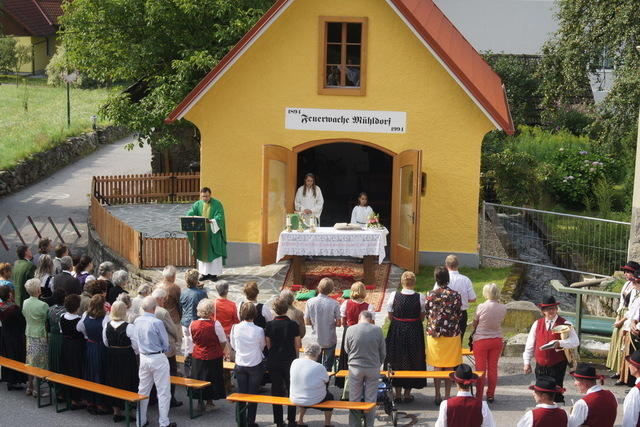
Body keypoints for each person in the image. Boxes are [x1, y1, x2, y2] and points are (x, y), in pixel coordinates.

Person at [523, 295, 579, 403]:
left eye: (553, 308)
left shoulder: (566, 324)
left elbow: (575, 341)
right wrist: (526, 362)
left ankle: (557, 415)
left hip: (557, 365)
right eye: (548, 309)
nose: (551, 311)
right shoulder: (537, 324)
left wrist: (560, 343)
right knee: (541, 393)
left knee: (556, 394)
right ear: (543, 311)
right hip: (540, 366)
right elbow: (530, 344)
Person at [134, 296, 176, 427]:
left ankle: (140, 420)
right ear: (154, 308)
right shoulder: (156, 322)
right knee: (163, 391)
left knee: (143, 389)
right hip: (157, 357)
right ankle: (164, 422)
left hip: (144, 356)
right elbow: (165, 343)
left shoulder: (137, 320)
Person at [385, 271, 426, 402]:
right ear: (414, 282)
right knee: (412, 359)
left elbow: (390, 316)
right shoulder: (420, 297)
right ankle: (407, 394)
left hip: (397, 329)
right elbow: (422, 317)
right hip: (414, 330)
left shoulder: (394, 295)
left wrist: (399, 321)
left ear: (402, 282)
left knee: (396, 358)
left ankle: (397, 394)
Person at [426, 267, 463, 404]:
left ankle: (437, 395)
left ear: (436, 278)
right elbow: (459, 313)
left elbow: (427, 311)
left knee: (437, 364)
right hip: (451, 334)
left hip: (435, 334)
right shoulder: (456, 295)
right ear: (447, 278)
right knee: (449, 365)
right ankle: (447, 396)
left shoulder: (431, 294)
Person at [344, 310, 385, 427]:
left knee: (354, 398)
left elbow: (347, 349)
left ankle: (354, 424)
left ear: (359, 318)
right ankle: (369, 424)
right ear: (371, 320)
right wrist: (378, 363)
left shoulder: (350, 329)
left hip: (355, 368)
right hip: (372, 367)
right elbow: (382, 351)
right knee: (371, 399)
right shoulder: (377, 330)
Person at [265, 297, 301, 427]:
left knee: (276, 390)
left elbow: (268, 344)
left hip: (274, 359)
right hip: (289, 359)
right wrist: (296, 356)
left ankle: (278, 420)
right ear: (286, 309)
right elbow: (297, 344)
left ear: (274, 309)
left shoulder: (269, 325)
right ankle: (291, 420)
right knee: (292, 389)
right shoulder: (293, 324)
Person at [230, 302, 266, 427]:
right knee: (253, 395)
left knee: (241, 393)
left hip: (240, 362)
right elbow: (262, 346)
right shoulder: (259, 330)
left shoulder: (235, 327)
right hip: (255, 363)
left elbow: (233, 345)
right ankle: (251, 421)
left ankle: (241, 421)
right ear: (255, 314)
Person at [103, 300, 139, 422]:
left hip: (112, 354)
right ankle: (129, 410)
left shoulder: (107, 325)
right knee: (128, 381)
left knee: (114, 380)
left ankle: (116, 411)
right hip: (126, 356)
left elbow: (106, 342)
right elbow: (136, 345)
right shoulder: (129, 327)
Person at [190, 298, 227, 411]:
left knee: (199, 377)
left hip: (198, 355)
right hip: (213, 355)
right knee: (212, 379)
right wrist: (219, 350)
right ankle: (209, 402)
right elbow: (222, 341)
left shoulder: (192, 324)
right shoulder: (216, 325)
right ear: (211, 311)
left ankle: (200, 400)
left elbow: (193, 340)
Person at [472, 283, 506, 402]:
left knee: (480, 369)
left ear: (486, 293)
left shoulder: (481, 306)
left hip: (481, 340)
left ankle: (479, 394)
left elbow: (475, 322)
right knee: (493, 369)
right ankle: (490, 394)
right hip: (496, 339)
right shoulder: (503, 307)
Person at [77, 294, 110, 414]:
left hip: (90, 346)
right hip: (101, 347)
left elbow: (79, 328)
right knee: (99, 373)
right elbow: (106, 335)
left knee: (90, 372)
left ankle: (90, 401)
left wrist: (88, 335)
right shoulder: (106, 317)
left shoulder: (86, 315)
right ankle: (100, 403)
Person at [337, 281, 374, 387]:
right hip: (364, 335)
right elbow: (372, 324)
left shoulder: (346, 304)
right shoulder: (369, 306)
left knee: (348, 357)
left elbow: (344, 322)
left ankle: (346, 385)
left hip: (349, 333)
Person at [186, 187, 227, 281]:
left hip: (213, 233)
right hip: (201, 235)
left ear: (210, 195)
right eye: (203, 196)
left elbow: (220, 216)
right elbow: (191, 212)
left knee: (213, 253)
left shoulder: (217, 204)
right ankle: (204, 274)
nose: (205, 198)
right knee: (202, 253)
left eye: (207, 196)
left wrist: (212, 221)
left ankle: (214, 274)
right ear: (200, 195)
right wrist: (190, 215)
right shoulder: (197, 204)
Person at [290, 343, 334, 427]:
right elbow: (326, 380)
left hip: (295, 397)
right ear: (318, 353)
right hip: (312, 399)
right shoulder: (319, 367)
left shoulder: (295, 362)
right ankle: (327, 423)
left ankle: (300, 420)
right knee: (330, 397)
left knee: (305, 390)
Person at [433, 255, 476, 340]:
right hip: (461, 314)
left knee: (445, 342)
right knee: (458, 341)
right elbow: (472, 299)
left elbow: (434, 296)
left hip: (444, 313)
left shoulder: (441, 279)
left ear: (446, 265)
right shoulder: (465, 280)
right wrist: (462, 299)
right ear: (458, 265)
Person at [153, 288, 183, 408]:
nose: (165, 302)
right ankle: (170, 399)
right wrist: (177, 338)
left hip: (153, 347)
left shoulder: (145, 308)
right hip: (166, 346)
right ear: (159, 299)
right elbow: (172, 328)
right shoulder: (162, 312)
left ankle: (154, 397)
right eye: (164, 299)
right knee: (171, 372)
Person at [611, 261, 640, 385]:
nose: (633, 284)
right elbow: (633, 310)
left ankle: (631, 380)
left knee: (632, 353)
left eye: (636, 282)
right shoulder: (634, 291)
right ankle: (624, 376)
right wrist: (629, 322)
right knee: (625, 350)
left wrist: (633, 324)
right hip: (630, 323)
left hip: (634, 326)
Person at [304, 278, 341, 372]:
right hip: (329, 338)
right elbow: (339, 323)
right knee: (327, 367)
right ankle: (325, 384)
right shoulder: (335, 303)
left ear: (319, 287)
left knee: (315, 365)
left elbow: (307, 322)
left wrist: (316, 322)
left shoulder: (310, 302)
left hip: (315, 338)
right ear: (331, 289)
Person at [22, 278, 49, 396]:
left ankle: (30, 386)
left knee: (30, 360)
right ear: (38, 290)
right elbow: (47, 318)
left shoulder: (25, 302)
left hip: (29, 332)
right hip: (40, 334)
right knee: (40, 362)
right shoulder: (43, 305)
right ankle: (37, 389)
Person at [567, 363, 617, 427]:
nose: (575, 384)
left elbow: (571, 425)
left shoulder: (582, 404)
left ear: (584, 382)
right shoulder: (611, 395)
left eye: (576, 380)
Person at [59, 294, 86, 408]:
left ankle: (64, 393)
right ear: (77, 307)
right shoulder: (79, 321)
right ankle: (75, 398)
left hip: (65, 345)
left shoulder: (62, 317)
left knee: (65, 368)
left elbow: (61, 331)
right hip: (76, 347)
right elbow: (84, 335)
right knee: (75, 370)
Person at [0, 286, 27, 390]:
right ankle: (15, 380)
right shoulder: (14, 308)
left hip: (5, 334)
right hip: (15, 336)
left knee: (7, 356)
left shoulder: (1, 307)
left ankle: (9, 380)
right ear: (9, 294)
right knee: (15, 356)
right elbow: (22, 322)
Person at [180, 269, 207, 358]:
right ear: (196, 280)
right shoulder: (201, 293)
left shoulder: (183, 293)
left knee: (188, 346)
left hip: (185, 322)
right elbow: (206, 307)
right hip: (197, 323)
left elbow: (180, 307)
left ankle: (187, 364)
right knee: (198, 347)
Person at [46, 289, 66, 373]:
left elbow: (47, 325)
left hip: (53, 337)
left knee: (53, 358)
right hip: (62, 338)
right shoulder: (66, 310)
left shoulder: (49, 309)